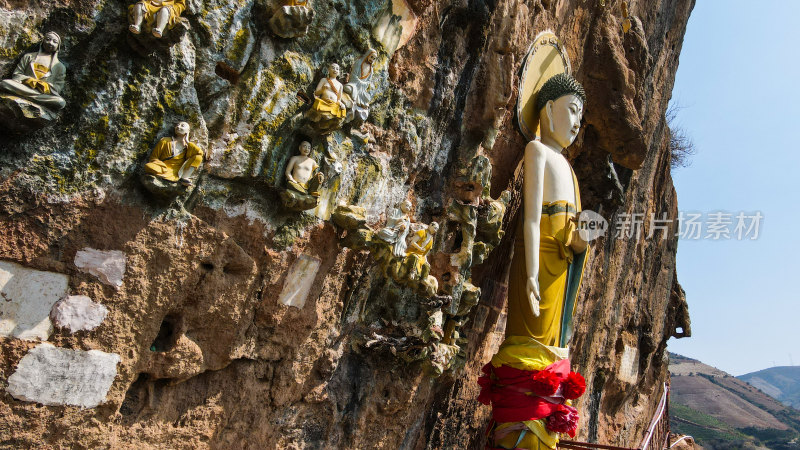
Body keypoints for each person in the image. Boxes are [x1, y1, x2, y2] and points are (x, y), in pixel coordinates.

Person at [481, 73, 591, 450]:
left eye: (581, 116)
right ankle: (521, 436)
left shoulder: (571, 171)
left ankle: (543, 436)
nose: (577, 123)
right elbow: (530, 218)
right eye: (572, 110)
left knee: (555, 344)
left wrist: (584, 236)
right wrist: (528, 273)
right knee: (531, 345)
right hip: (537, 259)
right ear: (548, 108)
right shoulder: (538, 152)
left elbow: (573, 238)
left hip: (561, 268)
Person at [0, 31, 66, 111]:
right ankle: (31, 97)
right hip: (24, 87)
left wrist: (46, 86)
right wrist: (28, 80)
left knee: (60, 102)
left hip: (41, 94)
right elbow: (17, 74)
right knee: (4, 83)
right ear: (43, 41)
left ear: (58, 46)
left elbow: (58, 87)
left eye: (54, 42)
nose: (50, 43)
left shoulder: (60, 67)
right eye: (48, 39)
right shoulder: (29, 56)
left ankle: (28, 96)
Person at [144, 122, 203, 186]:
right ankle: (164, 173)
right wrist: (162, 166)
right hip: (162, 168)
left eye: (182, 126)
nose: (178, 127)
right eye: (177, 125)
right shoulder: (165, 140)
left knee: (198, 157)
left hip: (177, 172)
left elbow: (199, 153)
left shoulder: (188, 147)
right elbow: (153, 157)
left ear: (188, 131)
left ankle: (184, 178)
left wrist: (187, 142)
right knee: (148, 166)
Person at [344, 48, 378, 123]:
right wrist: (360, 83)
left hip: (361, 89)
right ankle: (355, 101)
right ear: (367, 55)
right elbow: (353, 76)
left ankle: (357, 102)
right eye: (371, 57)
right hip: (353, 85)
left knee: (368, 98)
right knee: (348, 89)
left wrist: (362, 84)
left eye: (374, 58)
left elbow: (368, 82)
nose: (372, 59)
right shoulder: (359, 63)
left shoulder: (371, 70)